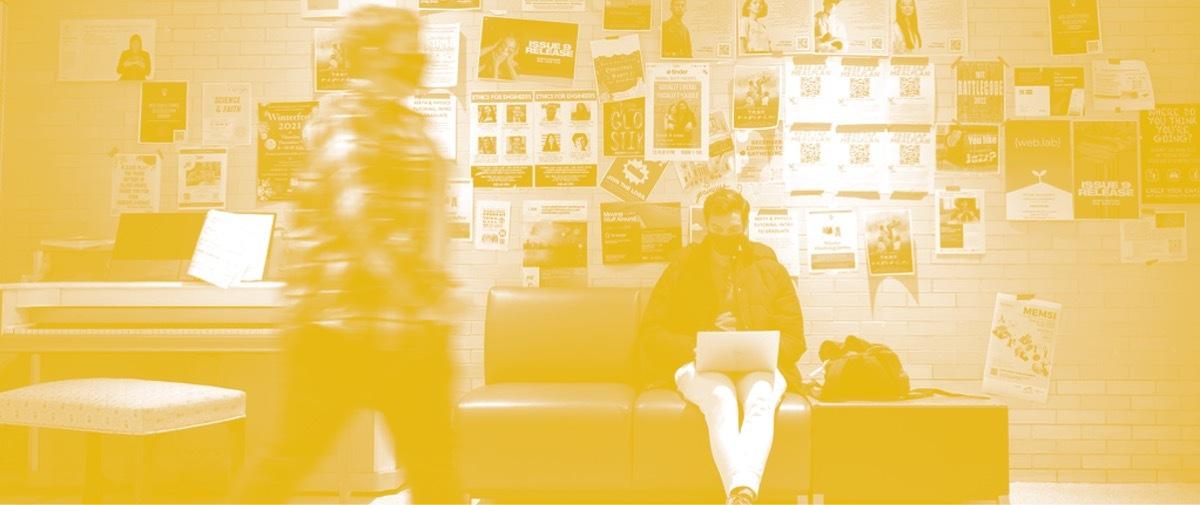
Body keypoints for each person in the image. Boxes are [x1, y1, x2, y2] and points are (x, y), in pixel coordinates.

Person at [234, 6, 461, 504]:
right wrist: (430, 296)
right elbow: (365, 219)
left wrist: (432, 304)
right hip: (338, 331)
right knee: (289, 458)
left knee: (436, 470)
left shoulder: (410, 124)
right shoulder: (344, 122)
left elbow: (425, 223)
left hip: (408, 331)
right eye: (410, 49)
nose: (420, 59)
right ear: (373, 54)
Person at [640, 189, 806, 505]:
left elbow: (795, 339)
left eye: (733, 230)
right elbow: (652, 332)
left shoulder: (769, 267)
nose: (725, 237)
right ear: (705, 226)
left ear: (745, 225)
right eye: (717, 230)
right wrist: (699, 343)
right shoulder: (683, 266)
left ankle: (739, 494)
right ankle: (742, 491)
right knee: (721, 396)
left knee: (760, 396)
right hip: (700, 362)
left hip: (757, 364)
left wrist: (751, 339)